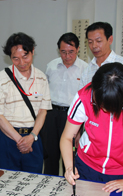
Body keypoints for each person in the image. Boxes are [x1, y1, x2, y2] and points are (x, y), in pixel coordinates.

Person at [60, 62, 123, 193]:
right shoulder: (84, 96)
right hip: (87, 167)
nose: (103, 110)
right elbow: (67, 137)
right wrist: (69, 167)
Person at [0, 32, 52, 173]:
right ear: (9, 57)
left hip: (33, 138)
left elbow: (43, 111)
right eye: (15, 59)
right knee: (5, 182)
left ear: (33, 51)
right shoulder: (0, 78)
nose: (22, 63)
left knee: (32, 181)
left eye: (25, 57)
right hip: (7, 139)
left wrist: (32, 136)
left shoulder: (41, 78)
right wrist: (20, 140)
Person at [42, 32, 87, 176]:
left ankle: (69, 182)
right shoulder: (51, 66)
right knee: (50, 153)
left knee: (70, 154)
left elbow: (86, 100)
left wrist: (80, 129)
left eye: (71, 52)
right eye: (63, 52)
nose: (67, 56)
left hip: (73, 116)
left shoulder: (85, 69)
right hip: (51, 113)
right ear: (59, 50)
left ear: (78, 49)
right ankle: (50, 184)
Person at [79, 22, 123, 89]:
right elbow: (82, 96)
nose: (94, 46)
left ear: (110, 40)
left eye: (99, 41)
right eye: (90, 42)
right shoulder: (87, 70)